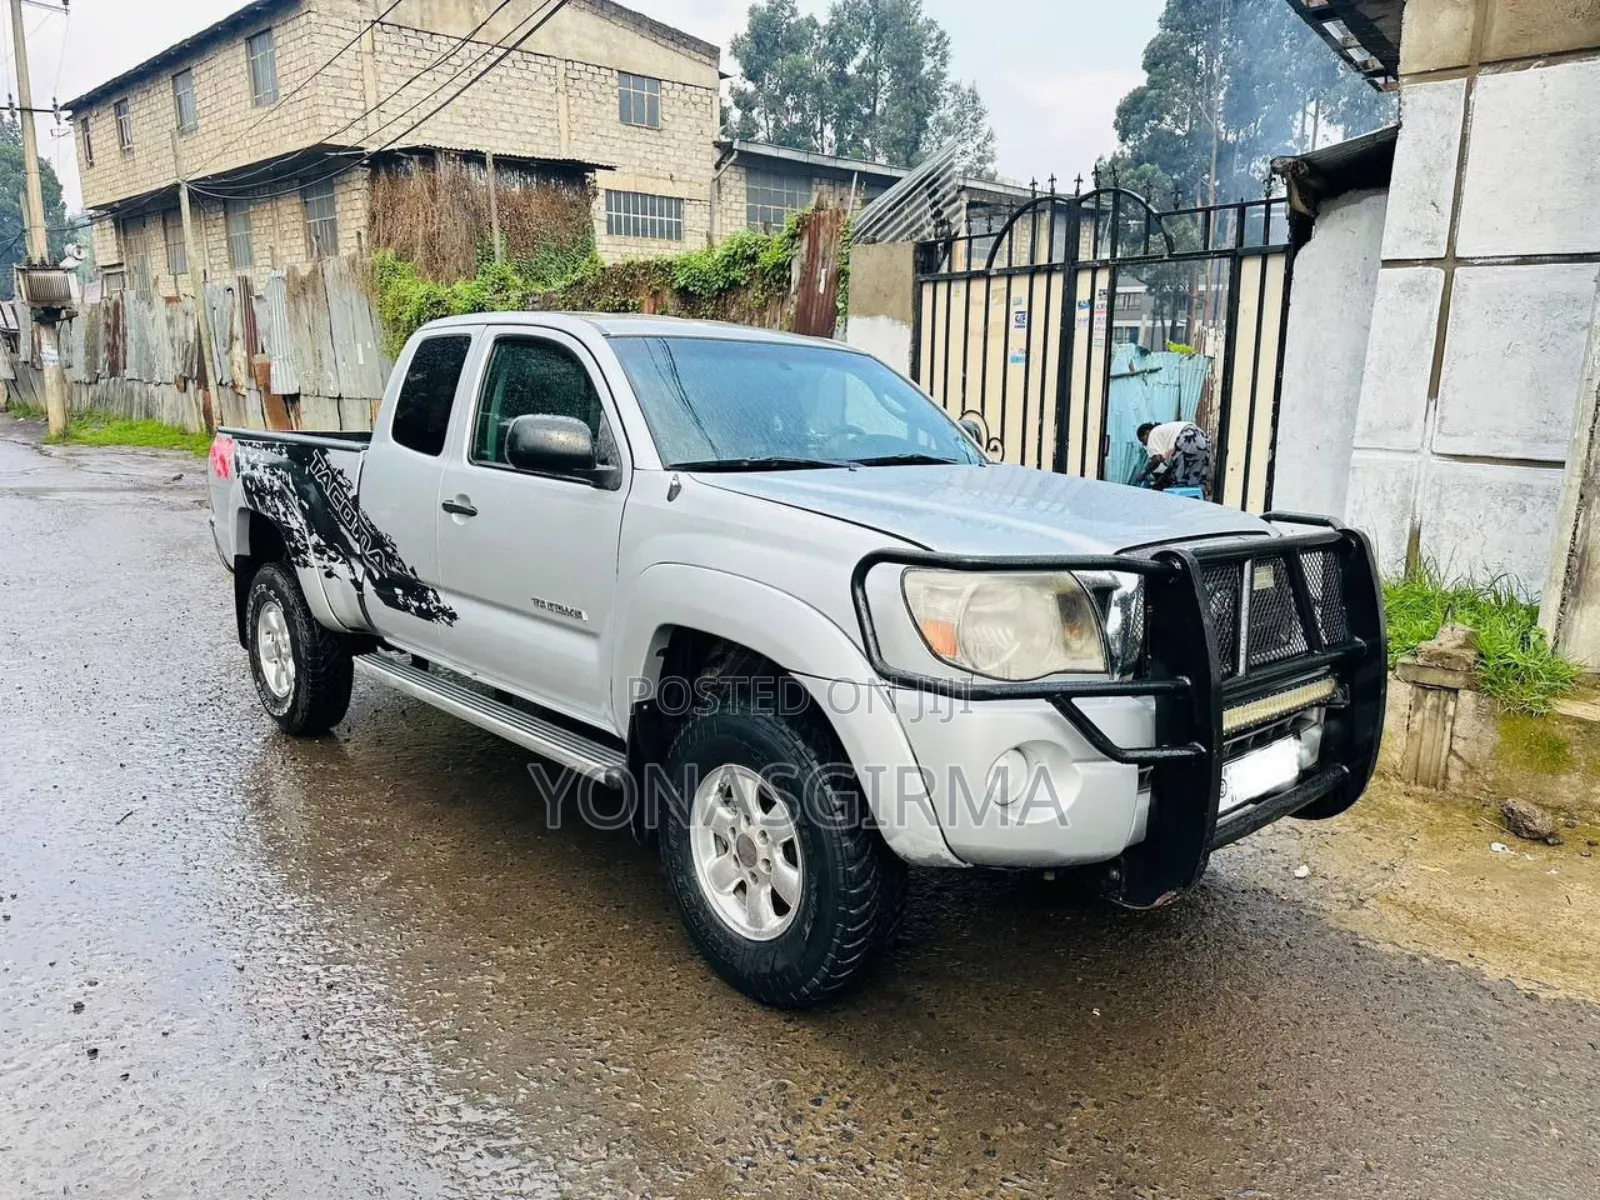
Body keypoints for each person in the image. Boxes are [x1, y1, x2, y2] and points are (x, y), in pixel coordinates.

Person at [1135, 420, 1213, 499]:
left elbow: (1156, 459)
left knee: (1179, 484)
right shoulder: (1166, 437)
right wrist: (1159, 483)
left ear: (1147, 433)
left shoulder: (1153, 434)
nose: (1144, 444)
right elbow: (1171, 467)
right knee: (1195, 480)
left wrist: (1143, 474)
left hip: (1187, 437)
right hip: (1202, 437)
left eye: (1142, 440)